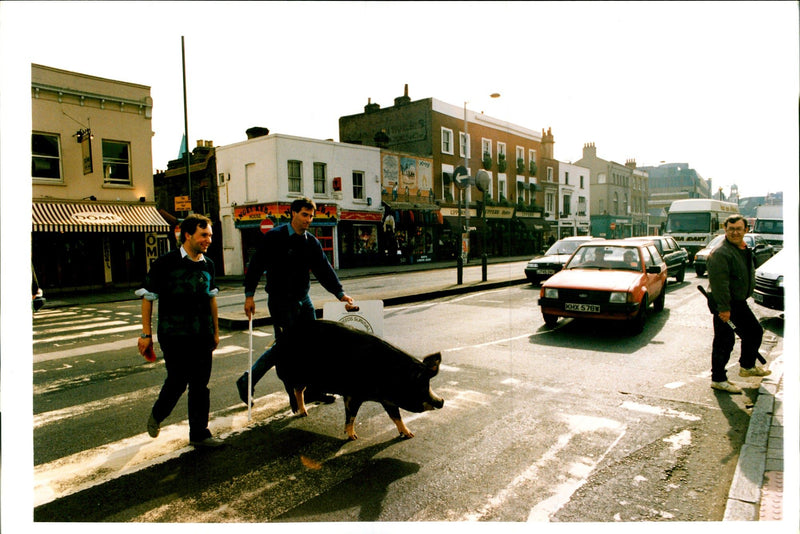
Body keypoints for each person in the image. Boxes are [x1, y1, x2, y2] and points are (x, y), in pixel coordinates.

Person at [236, 197, 356, 406]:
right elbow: (256, 266)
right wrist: (249, 296)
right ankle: (248, 380)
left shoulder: (311, 242)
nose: (308, 220)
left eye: (311, 216)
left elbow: (324, 270)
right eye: (304, 215)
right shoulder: (275, 237)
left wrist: (340, 294)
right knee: (285, 347)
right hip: (281, 301)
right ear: (293, 213)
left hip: (303, 299)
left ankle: (312, 390)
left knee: (313, 344)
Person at [137, 214, 224, 448]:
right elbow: (148, 298)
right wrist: (146, 335)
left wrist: (215, 331)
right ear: (188, 235)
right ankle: (158, 414)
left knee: (200, 385)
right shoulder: (165, 263)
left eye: (210, 236)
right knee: (177, 381)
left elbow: (211, 300)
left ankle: (199, 433)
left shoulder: (209, 265)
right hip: (173, 334)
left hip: (202, 334)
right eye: (204, 235)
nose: (208, 240)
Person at [706, 215, 771, 394]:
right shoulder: (721, 253)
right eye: (731, 229)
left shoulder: (742, 248)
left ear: (746, 230)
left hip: (738, 302)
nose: (735, 232)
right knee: (724, 342)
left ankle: (747, 366)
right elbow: (720, 284)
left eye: (738, 229)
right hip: (726, 304)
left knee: (754, 332)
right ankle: (718, 379)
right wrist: (724, 309)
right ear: (725, 230)